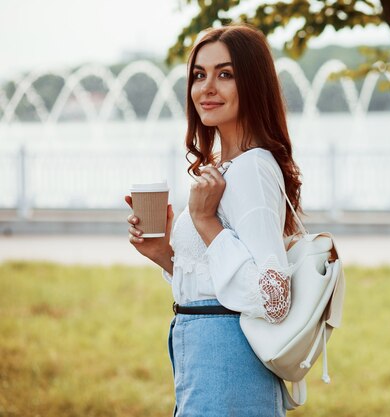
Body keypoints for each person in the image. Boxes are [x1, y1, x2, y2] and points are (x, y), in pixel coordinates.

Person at [124, 24, 302, 417]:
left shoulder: (253, 169)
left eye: (225, 74)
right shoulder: (229, 168)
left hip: (228, 363)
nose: (207, 87)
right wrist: (164, 255)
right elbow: (215, 280)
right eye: (199, 75)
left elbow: (274, 299)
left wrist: (205, 221)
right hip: (203, 355)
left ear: (252, 84)